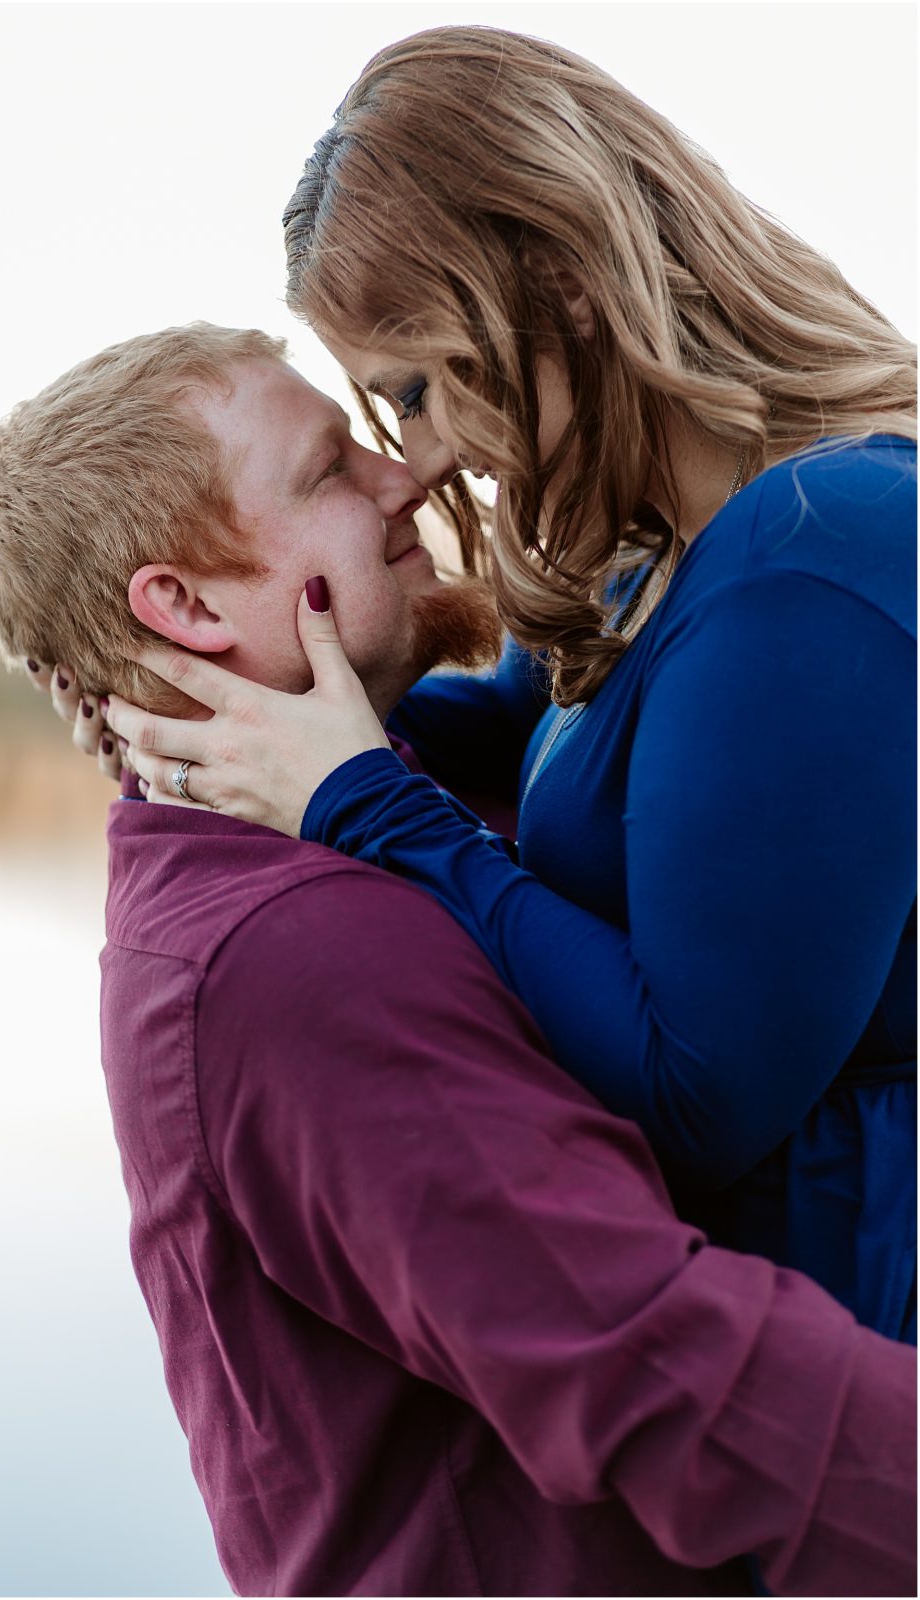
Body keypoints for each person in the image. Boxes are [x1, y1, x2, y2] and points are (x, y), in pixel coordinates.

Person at [0, 322, 918, 1598]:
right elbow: (660, 1370)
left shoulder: (296, 827)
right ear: (184, 608)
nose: (403, 476)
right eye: (328, 472)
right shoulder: (299, 951)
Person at [103, 25, 917, 1345]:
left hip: (856, 1370)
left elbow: (694, 1094)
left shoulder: (808, 560)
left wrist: (366, 806)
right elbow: (543, 744)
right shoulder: (654, 538)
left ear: (558, 281)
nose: (417, 465)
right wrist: (231, 706)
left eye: (417, 392)